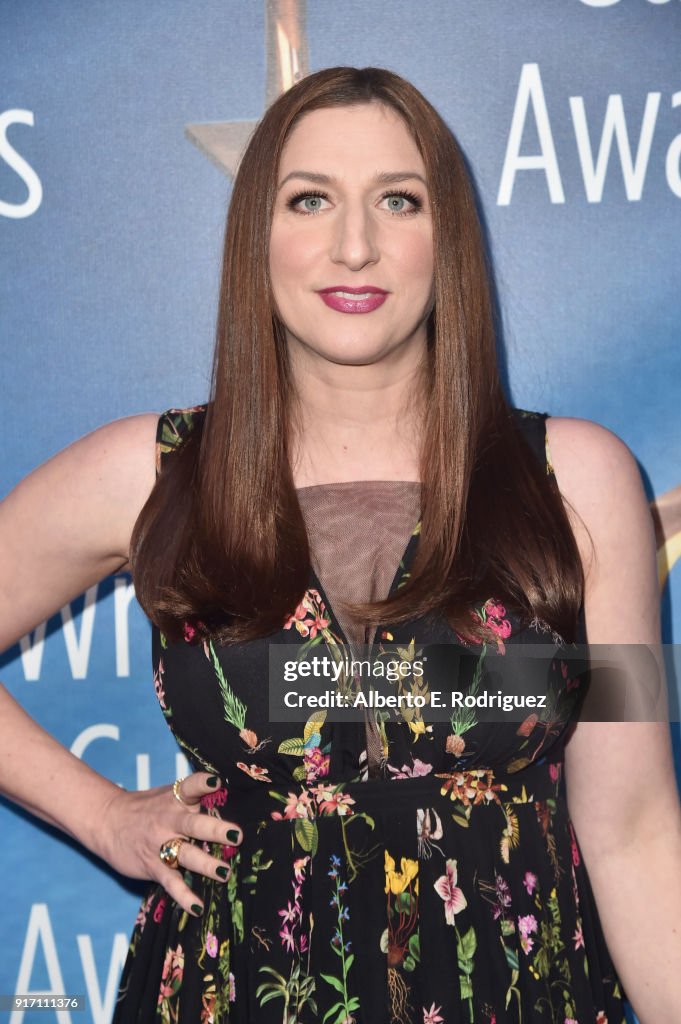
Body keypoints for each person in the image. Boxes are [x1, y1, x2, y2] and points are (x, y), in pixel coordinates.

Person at [1, 65, 680, 1024]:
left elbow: (634, 831)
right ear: (255, 237)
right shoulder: (150, 474)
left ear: (447, 238)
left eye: (396, 201)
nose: (353, 246)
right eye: (310, 199)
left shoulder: (577, 483)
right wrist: (104, 816)